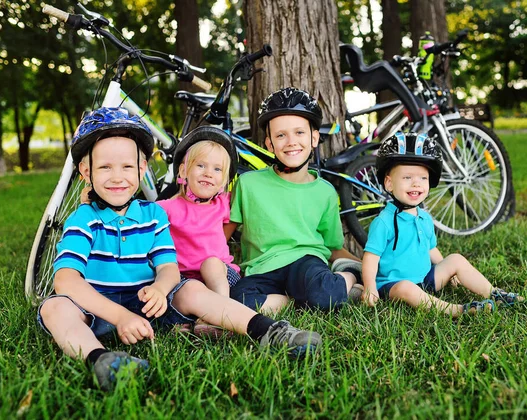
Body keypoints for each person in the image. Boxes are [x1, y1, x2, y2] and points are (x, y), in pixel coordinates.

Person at [37, 107, 323, 391]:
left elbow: (168, 269)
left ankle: (268, 330)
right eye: (105, 167)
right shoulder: (83, 219)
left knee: (192, 289)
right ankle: (100, 359)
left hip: (148, 303)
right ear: (86, 171)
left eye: (127, 167)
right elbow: (65, 280)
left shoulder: (154, 215)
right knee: (55, 306)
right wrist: (120, 316)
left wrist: (161, 289)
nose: (117, 177)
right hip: (94, 307)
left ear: (142, 169)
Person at [228, 87, 364, 315]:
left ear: (314, 138)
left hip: (307, 263)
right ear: (269, 144)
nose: (291, 141)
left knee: (324, 296)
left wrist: (364, 267)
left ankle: (348, 277)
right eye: (281, 135)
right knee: (235, 302)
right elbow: (221, 236)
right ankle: (294, 301)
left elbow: (332, 247)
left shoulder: (325, 192)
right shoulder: (248, 184)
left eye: (299, 133)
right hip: (260, 270)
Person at [361, 131, 524, 316]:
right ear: (389, 184)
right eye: (407, 178)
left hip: (425, 279)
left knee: (455, 259)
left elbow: (431, 250)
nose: (416, 183)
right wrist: (369, 287)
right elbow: (370, 258)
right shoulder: (384, 221)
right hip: (393, 286)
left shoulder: (425, 217)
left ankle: (495, 293)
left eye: (423, 178)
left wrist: (446, 269)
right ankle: (456, 310)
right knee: (406, 288)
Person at [158, 126, 240, 298]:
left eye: (217, 169)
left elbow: (245, 206)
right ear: (183, 171)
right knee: (170, 281)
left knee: (211, 264)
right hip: (184, 279)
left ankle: (221, 308)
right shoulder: (167, 207)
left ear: (224, 180)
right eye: (201, 165)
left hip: (223, 277)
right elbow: (135, 212)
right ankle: (197, 316)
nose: (209, 173)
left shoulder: (224, 203)